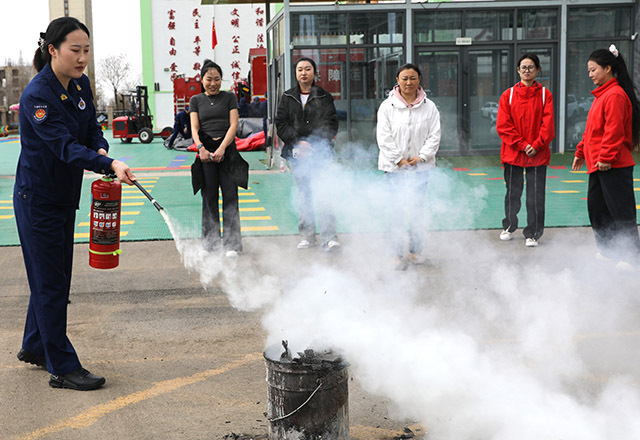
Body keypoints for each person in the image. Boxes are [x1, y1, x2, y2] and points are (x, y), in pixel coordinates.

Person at [14, 17, 135, 390]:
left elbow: (90, 129)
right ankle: (62, 368)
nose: (83, 58)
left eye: (87, 50)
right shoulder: (37, 95)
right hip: (38, 200)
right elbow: (65, 147)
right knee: (51, 284)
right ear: (53, 50)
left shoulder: (80, 85)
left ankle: (36, 346)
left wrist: (101, 147)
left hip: (64, 197)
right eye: (75, 50)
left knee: (53, 279)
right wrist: (108, 163)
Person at [572, 45, 640, 269]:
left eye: (593, 70)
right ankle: (609, 250)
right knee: (597, 209)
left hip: (613, 165)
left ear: (608, 68)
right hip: (598, 164)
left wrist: (606, 157)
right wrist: (581, 151)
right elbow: (592, 130)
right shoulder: (602, 95)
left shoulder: (615, 95)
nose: (590, 74)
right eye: (588, 70)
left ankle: (630, 255)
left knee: (621, 211)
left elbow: (614, 131)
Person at [376, 63, 440, 269]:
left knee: (416, 210)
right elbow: (383, 137)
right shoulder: (387, 106)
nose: (408, 82)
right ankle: (396, 254)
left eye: (413, 78)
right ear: (397, 80)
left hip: (420, 168)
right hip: (394, 169)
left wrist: (421, 157)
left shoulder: (429, 107)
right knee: (396, 210)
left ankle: (415, 251)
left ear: (419, 80)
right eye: (404, 78)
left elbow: (434, 135)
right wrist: (399, 159)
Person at [275, 57, 340, 252]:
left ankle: (329, 237)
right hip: (297, 153)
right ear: (296, 73)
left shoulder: (324, 96)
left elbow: (331, 123)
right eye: (300, 69)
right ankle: (307, 236)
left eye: (308, 69)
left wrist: (313, 143)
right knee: (305, 195)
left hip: (320, 152)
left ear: (314, 72)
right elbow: (281, 123)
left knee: (324, 194)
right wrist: (298, 141)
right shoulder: (287, 97)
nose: (304, 73)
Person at [496, 53, 555, 247]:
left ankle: (533, 233)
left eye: (531, 67)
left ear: (537, 70)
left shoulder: (545, 95)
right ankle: (510, 225)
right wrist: (522, 145)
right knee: (512, 193)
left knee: (535, 195)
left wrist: (536, 145)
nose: (527, 70)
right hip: (514, 153)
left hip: (537, 155)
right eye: (523, 67)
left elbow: (548, 126)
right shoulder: (508, 95)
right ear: (518, 70)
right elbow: (503, 126)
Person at [190, 60, 243, 257]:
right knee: (209, 197)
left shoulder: (229, 97)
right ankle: (210, 243)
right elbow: (194, 128)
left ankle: (231, 245)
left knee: (230, 196)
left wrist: (222, 147)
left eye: (217, 79)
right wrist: (201, 148)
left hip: (227, 151)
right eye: (209, 79)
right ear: (202, 80)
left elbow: (233, 125)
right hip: (205, 153)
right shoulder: (195, 100)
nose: (213, 83)